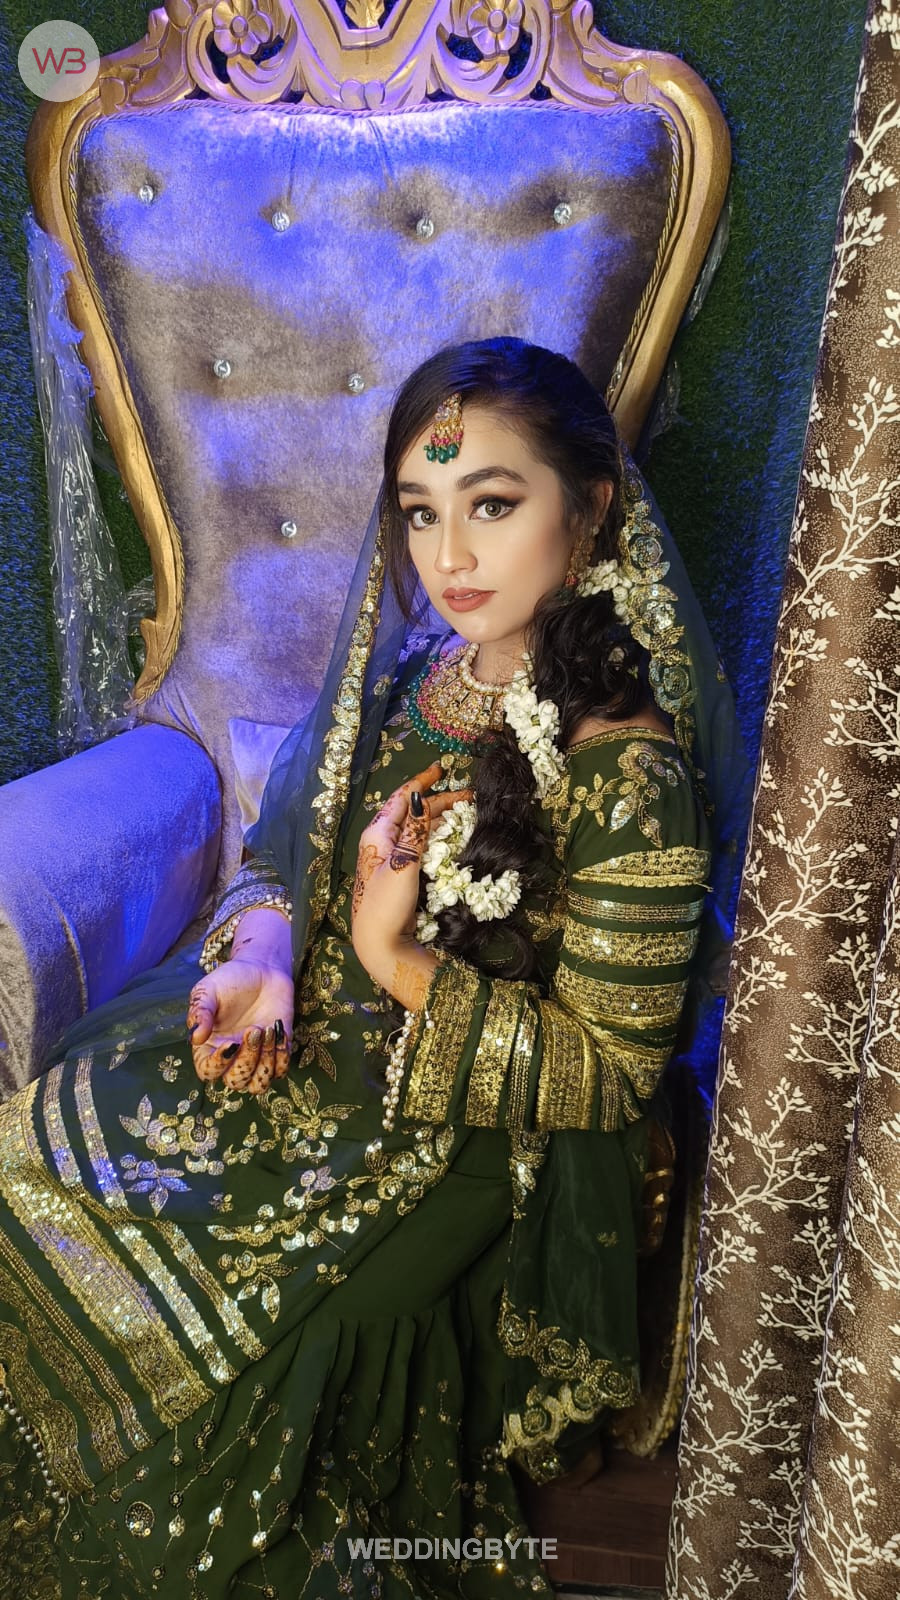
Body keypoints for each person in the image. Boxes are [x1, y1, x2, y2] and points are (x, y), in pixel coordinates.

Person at [0, 337, 749, 1598]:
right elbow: (279, 850)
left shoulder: (630, 769)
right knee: (27, 1168)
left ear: (591, 509)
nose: (448, 557)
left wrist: (388, 957)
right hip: (305, 1049)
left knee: (222, 1409)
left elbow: (610, 1077)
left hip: (458, 1141)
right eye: (419, 512)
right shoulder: (417, 674)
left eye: (492, 505)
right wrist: (267, 953)